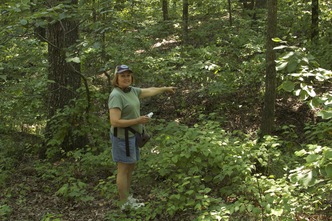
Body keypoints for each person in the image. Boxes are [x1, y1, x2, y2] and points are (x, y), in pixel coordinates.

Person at [108, 64, 176, 210]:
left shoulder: (132, 91)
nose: (126, 78)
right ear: (116, 78)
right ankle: (124, 203)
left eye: (128, 75)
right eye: (122, 76)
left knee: (130, 166)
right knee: (123, 169)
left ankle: (126, 198)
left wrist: (164, 89)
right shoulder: (116, 95)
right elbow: (114, 121)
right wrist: (138, 120)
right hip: (122, 138)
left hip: (132, 136)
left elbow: (149, 91)